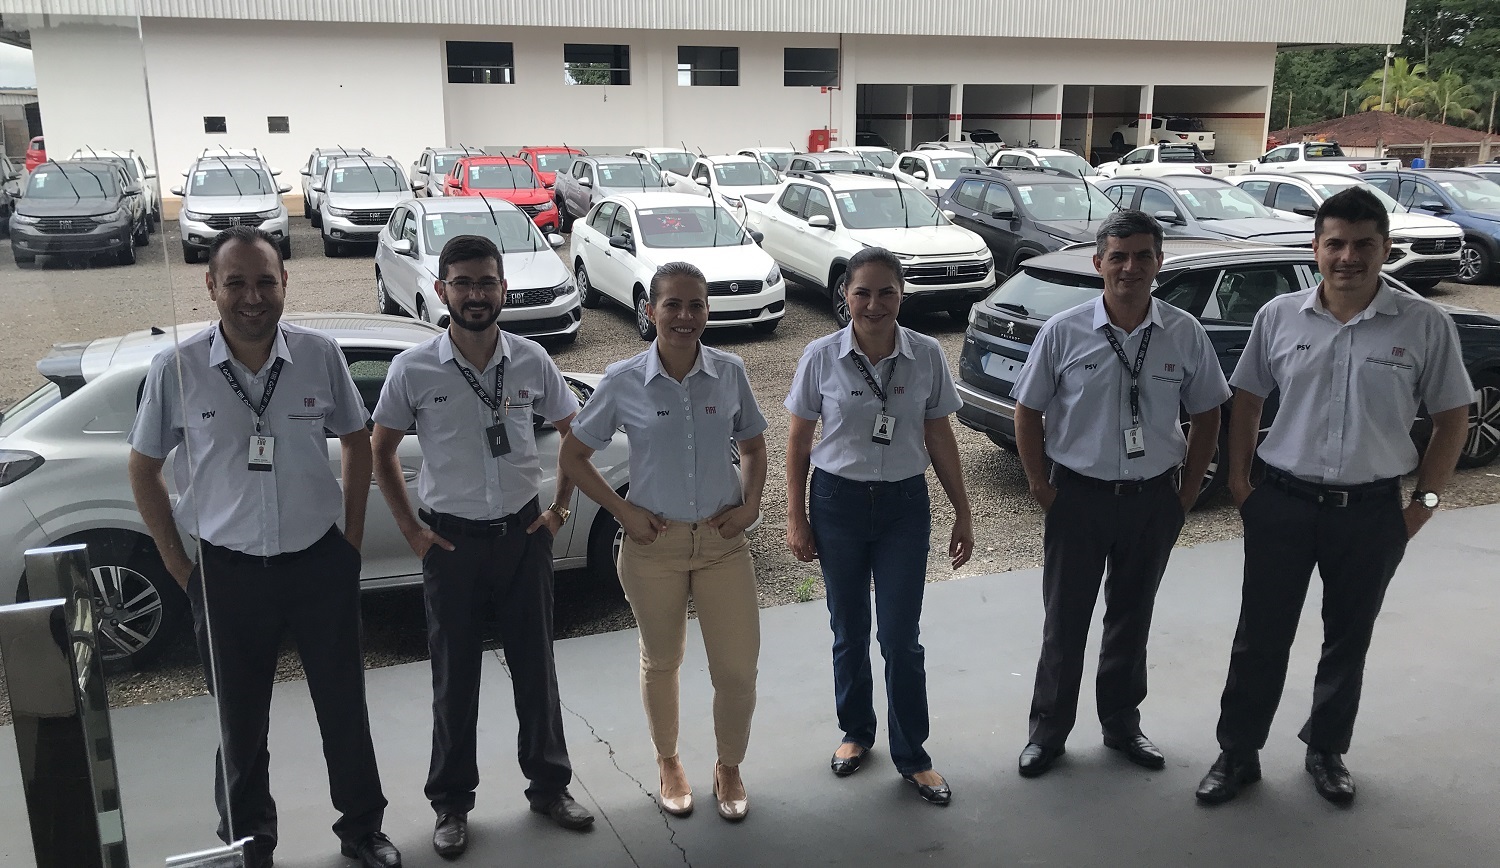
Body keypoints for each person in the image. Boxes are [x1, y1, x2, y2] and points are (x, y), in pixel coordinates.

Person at [125, 225, 401, 868]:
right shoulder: (178, 369)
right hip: (227, 572)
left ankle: (362, 829)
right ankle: (250, 843)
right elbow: (143, 467)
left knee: (344, 706)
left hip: (317, 562)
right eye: (236, 283)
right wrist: (179, 564)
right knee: (240, 722)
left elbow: (356, 440)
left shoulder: (319, 355)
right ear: (210, 286)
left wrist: (350, 540)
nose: (252, 297)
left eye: (265, 282)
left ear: (285, 283)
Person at [1195, 187, 1473, 806]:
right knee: (1260, 635)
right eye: (1336, 244)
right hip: (1283, 504)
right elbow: (1247, 400)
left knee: (1348, 637)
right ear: (1316, 248)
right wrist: (1240, 483)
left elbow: (1453, 416)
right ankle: (1238, 752)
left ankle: (1326, 750)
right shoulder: (1279, 317)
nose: (1349, 257)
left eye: (1363, 244)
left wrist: (1423, 505)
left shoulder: (1424, 324)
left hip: (1372, 513)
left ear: (1385, 248)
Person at [370, 234, 593, 859]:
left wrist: (559, 508)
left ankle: (549, 787)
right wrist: (413, 532)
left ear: (503, 289)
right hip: (452, 546)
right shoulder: (413, 369)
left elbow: (574, 433)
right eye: (463, 283)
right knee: (454, 677)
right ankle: (451, 804)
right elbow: (380, 449)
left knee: (535, 669)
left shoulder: (532, 360)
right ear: (442, 290)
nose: (476, 294)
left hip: (523, 538)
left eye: (486, 282)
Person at [1010, 209, 1230, 779]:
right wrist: (1040, 485)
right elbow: (1027, 411)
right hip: (1078, 498)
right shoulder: (1063, 332)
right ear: (1098, 262)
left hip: (1152, 500)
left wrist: (1185, 493)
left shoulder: (1184, 332)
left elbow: (1209, 413)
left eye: (1142, 256)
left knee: (1132, 617)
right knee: (1066, 621)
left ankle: (1122, 724)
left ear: (1160, 262)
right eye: (1118, 256)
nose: (1130, 267)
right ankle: (1048, 732)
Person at [558, 262, 768, 822]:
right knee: (663, 660)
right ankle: (669, 761)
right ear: (650, 311)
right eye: (672, 304)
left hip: (722, 544)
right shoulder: (623, 379)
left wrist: (750, 505)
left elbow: (753, 446)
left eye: (696, 305)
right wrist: (623, 510)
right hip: (655, 547)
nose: (684, 316)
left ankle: (728, 765)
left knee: (736, 669)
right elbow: (574, 455)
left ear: (707, 311)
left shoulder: (730, 373)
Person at [785, 246, 974, 807]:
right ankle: (857, 732)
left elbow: (939, 434)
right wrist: (795, 515)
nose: (874, 304)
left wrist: (963, 510)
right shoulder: (821, 356)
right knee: (848, 630)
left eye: (886, 292)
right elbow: (798, 441)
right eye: (862, 292)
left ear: (902, 294)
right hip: (837, 503)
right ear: (844, 296)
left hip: (903, 508)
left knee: (899, 637)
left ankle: (913, 756)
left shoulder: (927, 354)